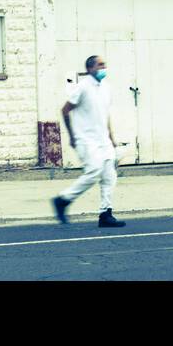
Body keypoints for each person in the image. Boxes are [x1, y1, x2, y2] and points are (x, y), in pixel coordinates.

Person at [52, 55, 126, 227]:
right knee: (93, 172)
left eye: (104, 64)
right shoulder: (82, 87)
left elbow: (105, 115)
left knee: (109, 176)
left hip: (103, 140)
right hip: (86, 139)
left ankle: (105, 214)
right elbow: (65, 110)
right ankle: (63, 200)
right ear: (89, 69)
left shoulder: (106, 88)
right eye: (100, 65)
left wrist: (111, 138)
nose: (103, 68)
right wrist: (71, 136)